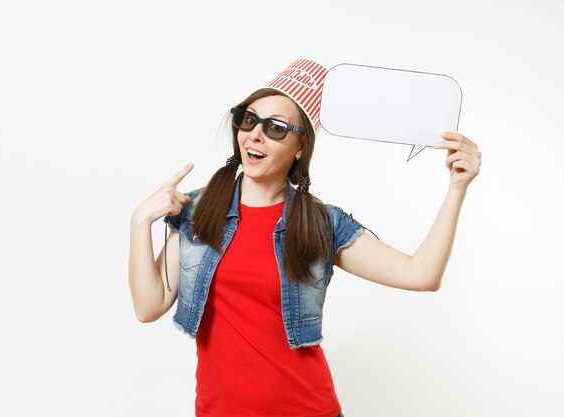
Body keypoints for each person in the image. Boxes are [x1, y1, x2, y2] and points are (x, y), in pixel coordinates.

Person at [128, 59, 481, 417]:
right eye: (248, 120)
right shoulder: (199, 211)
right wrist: (140, 222)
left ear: (299, 148)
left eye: (276, 128)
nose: (256, 134)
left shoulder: (319, 223)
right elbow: (149, 306)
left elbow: (420, 274)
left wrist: (457, 189)